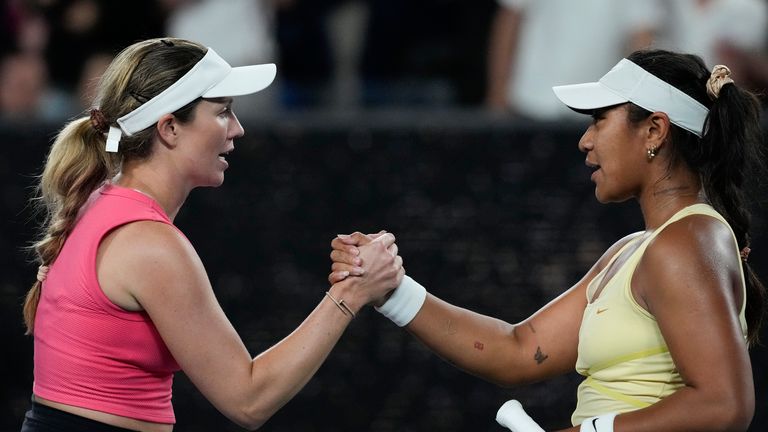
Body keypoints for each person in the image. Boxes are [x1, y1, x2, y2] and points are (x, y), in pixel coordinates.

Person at [332, 49, 766, 430]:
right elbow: (517, 351)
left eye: (599, 119)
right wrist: (392, 289)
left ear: (654, 130)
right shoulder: (636, 249)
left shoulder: (688, 240)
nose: (585, 140)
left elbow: (723, 403)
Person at [21, 37, 404, 432]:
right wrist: (351, 292)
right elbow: (249, 399)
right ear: (169, 128)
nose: (237, 129)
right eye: (223, 112)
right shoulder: (149, 245)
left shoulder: (99, 202)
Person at [485, 0, 659, 120]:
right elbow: (510, 18)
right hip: (528, 101)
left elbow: (640, 37)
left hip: (595, 109)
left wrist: (637, 109)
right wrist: (497, 96)